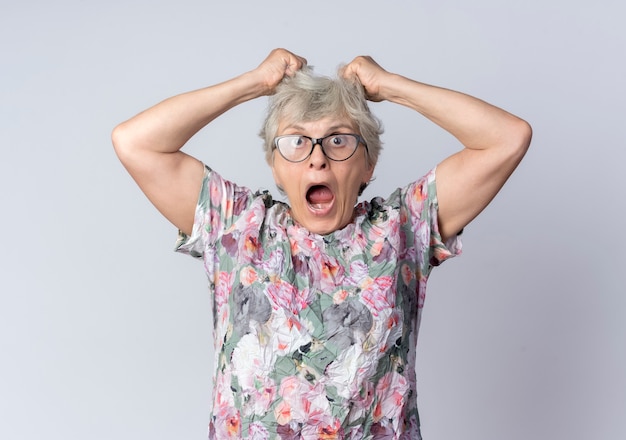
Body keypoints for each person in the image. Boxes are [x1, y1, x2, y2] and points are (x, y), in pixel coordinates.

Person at [112, 48, 531, 439]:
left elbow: (507, 137)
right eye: (296, 141)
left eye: (339, 140)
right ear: (275, 168)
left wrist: (389, 85)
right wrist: (254, 83)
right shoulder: (238, 225)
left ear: (369, 164)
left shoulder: (402, 226)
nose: (317, 158)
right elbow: (136, 142)